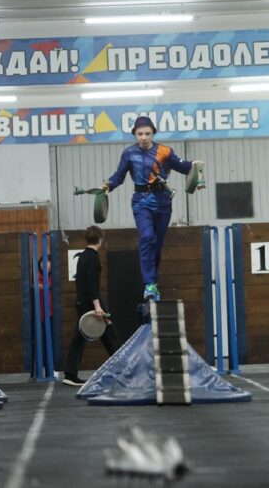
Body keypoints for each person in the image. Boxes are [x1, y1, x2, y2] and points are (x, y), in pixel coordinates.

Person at [103, 116, 202, 302]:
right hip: (141, 202)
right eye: (140, 133)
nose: (143, 137)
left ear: (153, 133)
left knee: (156, 246)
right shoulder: (129, 153)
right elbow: (119, 176)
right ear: (134, 134)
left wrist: (194, 166)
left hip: (163, 202)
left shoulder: (165, 151)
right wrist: (107, 186)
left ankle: (153, 284)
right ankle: (149, 284)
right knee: (147, 237)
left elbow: (184, 167)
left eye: (147, 133)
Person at [62, 225, 118, 386]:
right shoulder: (93, 258)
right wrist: (97, 306)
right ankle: (122, 369)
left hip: (82, 302)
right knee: (109, 334)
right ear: (99, 240)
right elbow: (92, 284)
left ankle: (70, 373)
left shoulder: (83, 257)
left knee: (80, 338)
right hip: (92, 304)